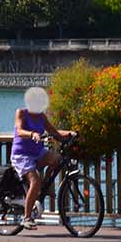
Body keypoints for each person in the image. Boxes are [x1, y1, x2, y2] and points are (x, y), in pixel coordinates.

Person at [11, 86, 76, 230]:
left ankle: (44, 187)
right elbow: (20, 131)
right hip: (22, 155)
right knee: (35, 181)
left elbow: (54, 132)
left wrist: (71, 133)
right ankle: (27, 218)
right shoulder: (21, 112)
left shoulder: (41, 116)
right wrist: (32, 134)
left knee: (57, 159)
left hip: (38, 152)